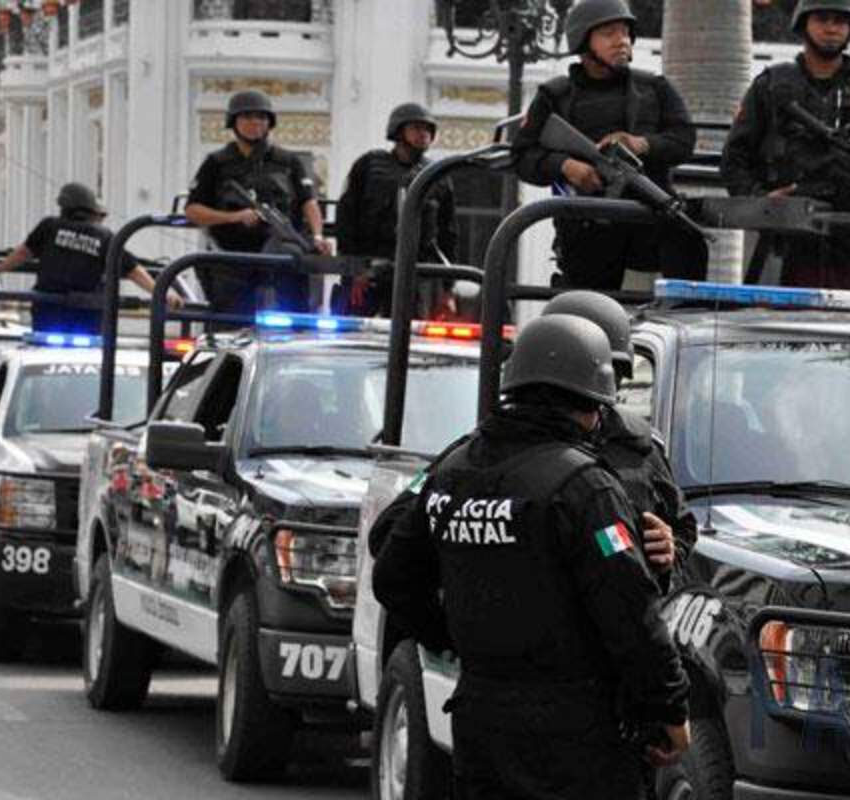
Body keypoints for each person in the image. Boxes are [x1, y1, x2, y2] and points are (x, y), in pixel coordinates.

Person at [373, 314, 690, 800]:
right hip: (576, 733)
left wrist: (455, 639)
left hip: (482, 719)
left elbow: (393, 576)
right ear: (590, 404)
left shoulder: (453, 472)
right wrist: (668, 706)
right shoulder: (585, 486)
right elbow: (630, 611)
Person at [511, 0, 708, 291]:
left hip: (651, 215)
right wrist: (566, 166)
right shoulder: (556, 96)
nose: (622, 41)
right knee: (587, 307)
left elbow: (684, 140)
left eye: (626, 32)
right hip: (588, 223)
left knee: (688, 243)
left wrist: (641, 144)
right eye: (609, 33)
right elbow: (522, 156)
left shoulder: (654, 88)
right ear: (583, 40)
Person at [721, 0, 850, 290]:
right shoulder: (771, 85)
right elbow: (734, 160)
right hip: (783, 230)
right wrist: (761, 200)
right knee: (772, 309)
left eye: (840, 21)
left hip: (848, 230)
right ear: (804, 24)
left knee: (844, 311)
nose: (831, 29)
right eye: (822, 19)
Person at [541, 290, 696, 591]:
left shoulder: (637, 445)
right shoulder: (510, 443)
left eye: (609, 374)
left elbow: (681, 527)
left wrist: (668, 550)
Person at [185, 89, 330, 318]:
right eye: (247, 117)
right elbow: (193, 210)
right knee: (230, 324)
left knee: (294, 318)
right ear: (233, 122)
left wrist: (318, 236)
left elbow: (308, 202)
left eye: (261, 117)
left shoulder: (288, 161)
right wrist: (235, 217)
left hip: (281, 255)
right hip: (232, 257)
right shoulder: (217, 163)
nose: (255, 123)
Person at [0, 182, 181, 334]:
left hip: (48, 309)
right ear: (92, 211)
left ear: (63, 207)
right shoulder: (105, 237)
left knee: (44, 353)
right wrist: (163, 293)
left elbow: (22, 253)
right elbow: (133, 271)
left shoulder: (50, 227)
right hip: (87, 313)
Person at [332, 102, 458, 317]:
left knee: (410, 331)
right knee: (355, 329)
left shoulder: (437, 176)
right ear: (398, 131)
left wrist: (448, 289)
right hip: (367, 269)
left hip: (415, 272)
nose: (423, 134)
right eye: (416, 128)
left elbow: (448, 234)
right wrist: (354, 271)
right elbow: (346, 219)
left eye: (428, 130)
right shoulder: (369, 165)